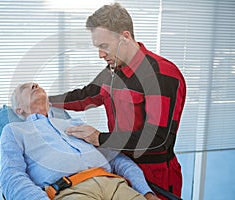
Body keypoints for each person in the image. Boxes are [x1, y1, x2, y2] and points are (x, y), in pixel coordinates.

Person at [49, 3, 186, 199]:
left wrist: (100, 138)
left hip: (155, 176)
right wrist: (46, 100)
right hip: (121, 167)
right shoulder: (113, 72)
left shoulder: (161, 75)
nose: (100, 54)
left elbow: (157, 140)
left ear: (125, 36)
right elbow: (84, 96)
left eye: (104, 46)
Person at [0, 82, 160, 200]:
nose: (34, 85)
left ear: (48, 102)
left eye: (36, 84)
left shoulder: (74, 124)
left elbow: (117, 158)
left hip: (115, 184)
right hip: (70, 191)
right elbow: (12, 177)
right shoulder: (14, 131)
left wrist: (146, 192)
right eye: (24, 88)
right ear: (18, 110)